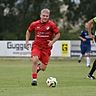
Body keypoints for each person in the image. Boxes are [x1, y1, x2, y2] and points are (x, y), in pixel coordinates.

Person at [25, 8, 60, 85]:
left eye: (47, 16)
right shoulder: (34, 24)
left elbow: (58, 34)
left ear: (49, 17)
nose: (45, 17)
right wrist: (27, 42)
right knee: (35, 60)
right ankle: (34, 79)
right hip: (37, 46)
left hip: (46, 48)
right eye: (43, 16)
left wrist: (52, 41)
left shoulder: (51, 25)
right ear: (40, 16)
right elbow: (28, 31)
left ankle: (37, 68)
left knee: (43, 68)